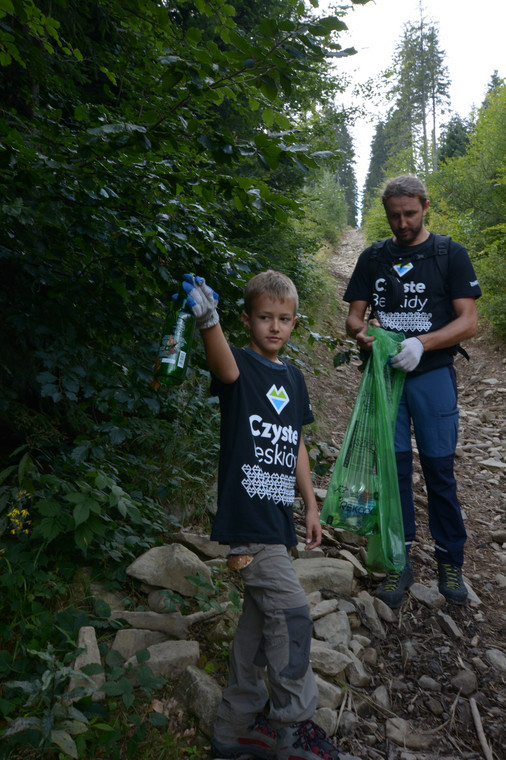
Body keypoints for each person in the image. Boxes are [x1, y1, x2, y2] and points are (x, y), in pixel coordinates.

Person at [182, 270, 347, 760]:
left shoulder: (293, 378)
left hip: (278, 522)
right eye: (264, 318)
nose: (274, 327)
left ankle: (235, 727)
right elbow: (224, 367)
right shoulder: (241, 368)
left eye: (284, 320)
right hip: (248, 523)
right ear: (246, 320)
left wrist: (311, 505)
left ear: (295, 322)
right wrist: (207, 320)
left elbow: (296, 442)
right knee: (293, 615)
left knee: (257, 624)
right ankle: (293, 730)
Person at [344, 175, 481, 609]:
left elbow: (468, 321)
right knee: (394, 471)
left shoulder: (448, 254)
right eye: (394, 215)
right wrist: (364, 334)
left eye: (409, 213)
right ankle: (398, 561)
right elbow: (353, 317)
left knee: (439, 472)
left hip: (433, 376)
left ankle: (450, 561)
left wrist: (422, 343)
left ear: (425, 207)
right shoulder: (374, 257)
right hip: (386, 380)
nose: (401, 223)